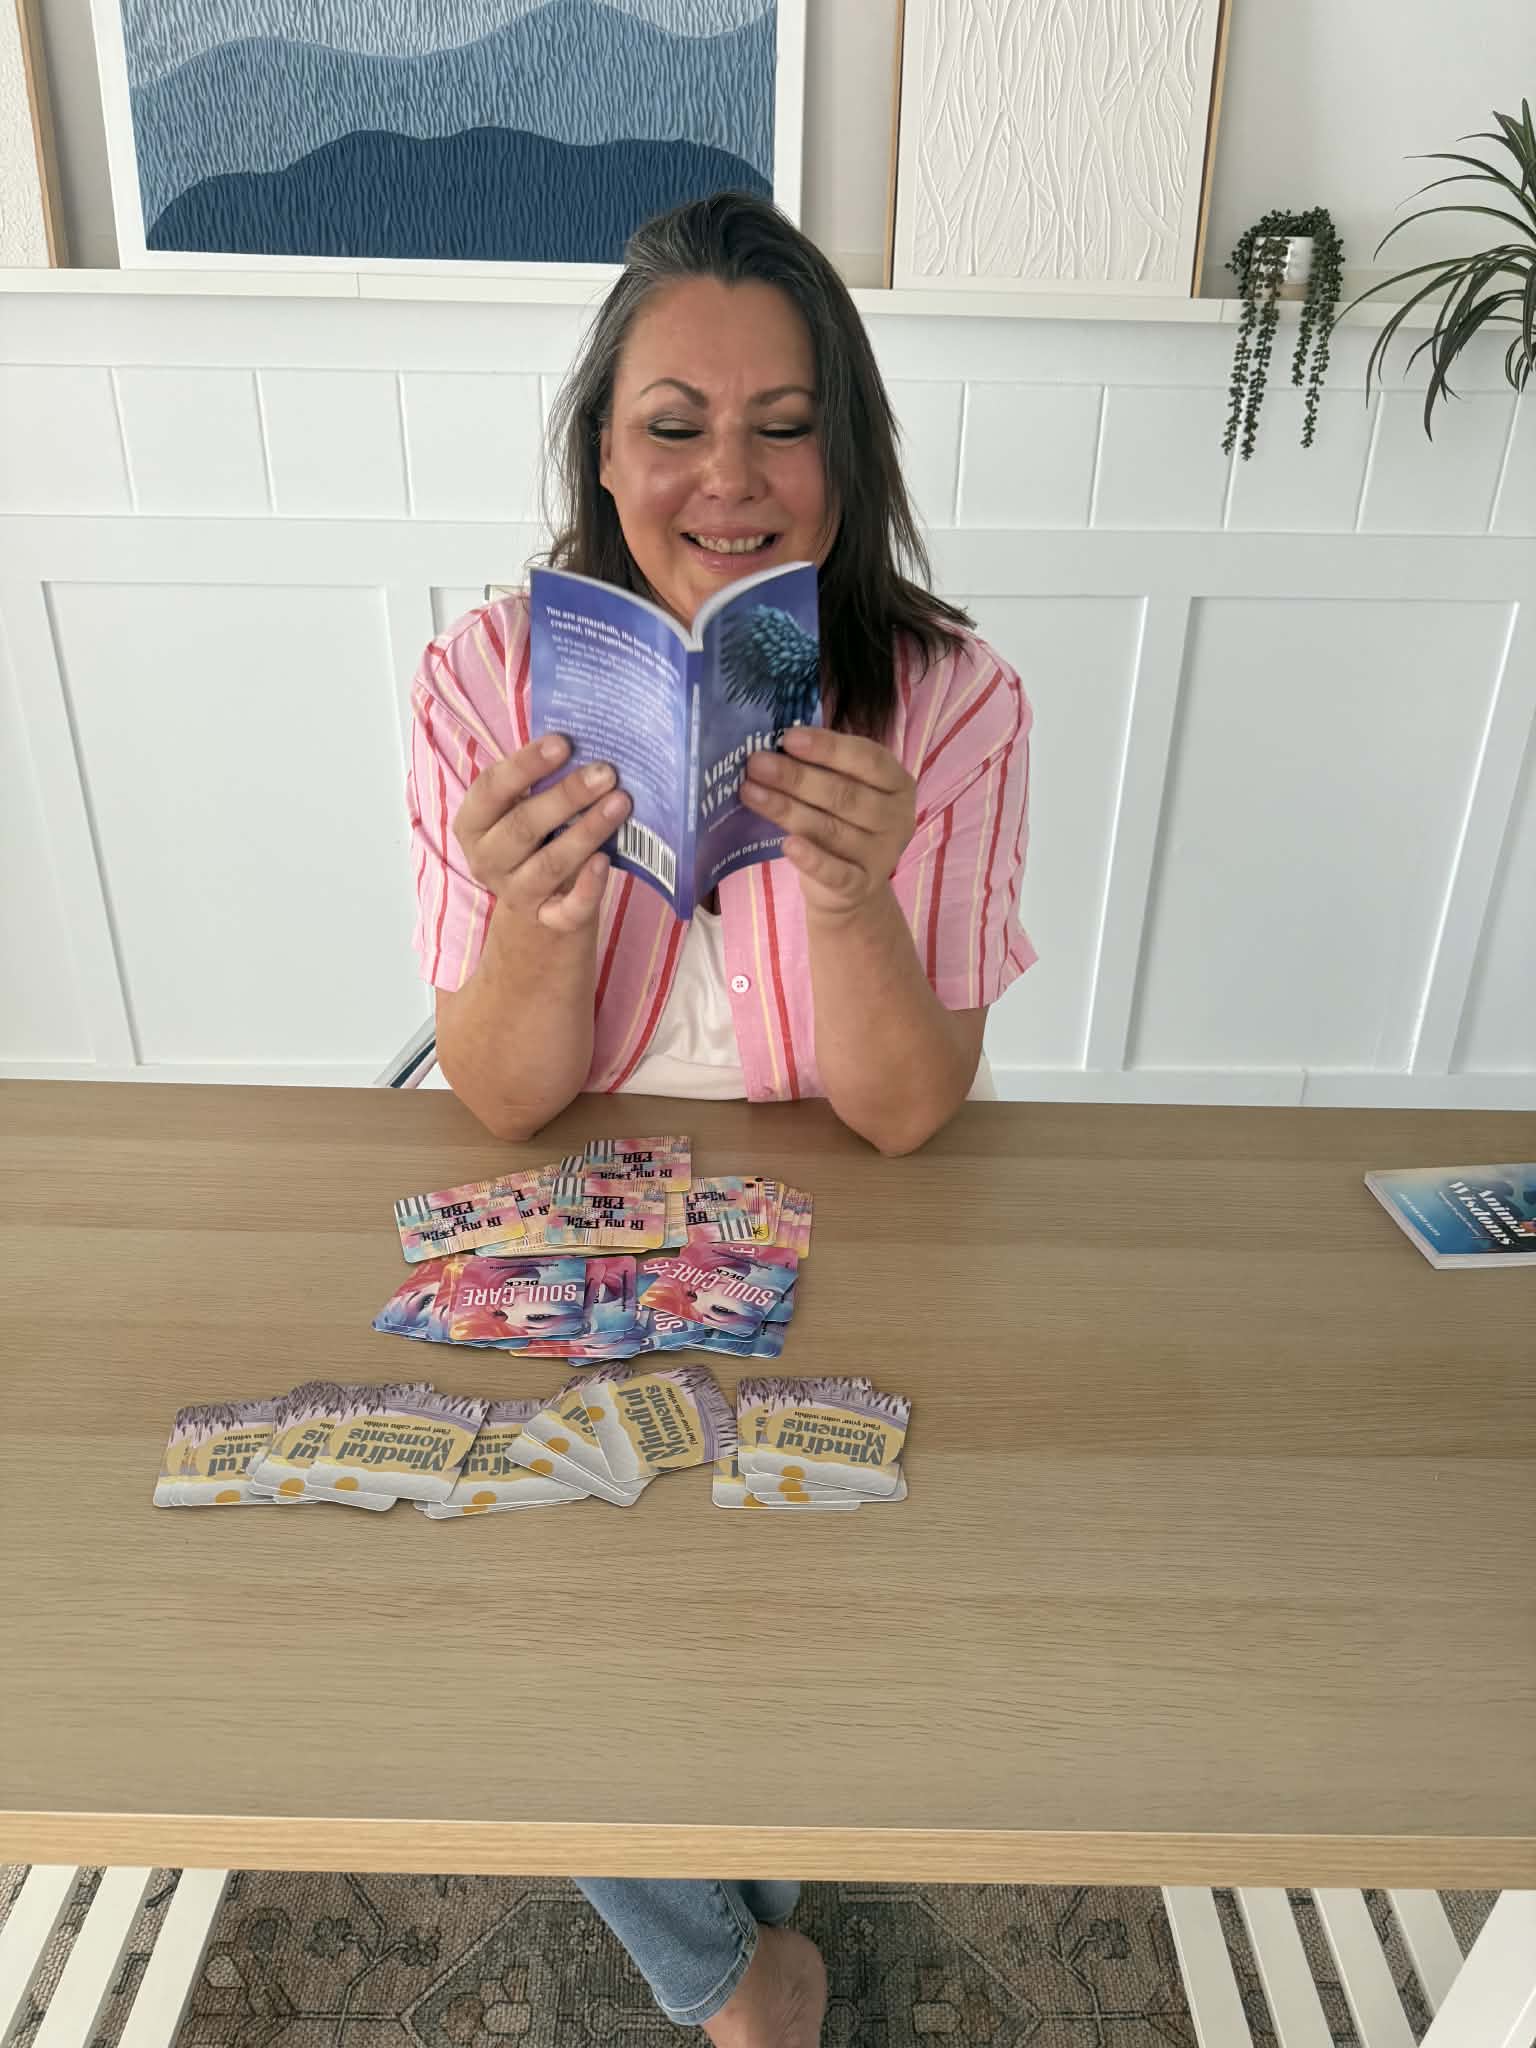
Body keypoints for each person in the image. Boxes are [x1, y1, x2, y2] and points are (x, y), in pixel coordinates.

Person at [405, 193, 1035, 2045]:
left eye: (787, 423)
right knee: (518, 1568)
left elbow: (912, 1120)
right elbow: (505, 1099)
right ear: (603, 450)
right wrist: (540, 909)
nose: (729, 479)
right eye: (673, 423)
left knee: (842, 1547)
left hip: (843, 1188)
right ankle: (741, 1971)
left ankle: (739, 1879)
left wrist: (852, 900)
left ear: (850, 451)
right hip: (573, 1183)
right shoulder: (477, 680)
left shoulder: (955, 696)